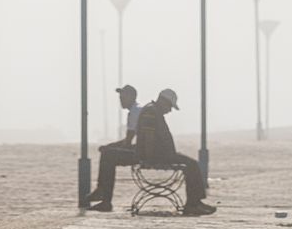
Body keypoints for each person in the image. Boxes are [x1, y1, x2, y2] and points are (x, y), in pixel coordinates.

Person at [87, 88, 216, 216]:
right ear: (163, 102)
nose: (170, 110)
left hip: (158, 154)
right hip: (159, 155)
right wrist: (148, 159)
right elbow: (149, 137)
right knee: (193, 164)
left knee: (108, 155)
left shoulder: (152, 110)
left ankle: (103, 195)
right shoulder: (152, 112)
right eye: (170, 106)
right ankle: (193, 204)